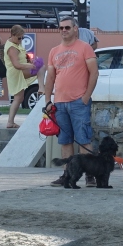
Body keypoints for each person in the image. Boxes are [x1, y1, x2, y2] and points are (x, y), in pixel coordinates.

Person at [43, 14, 99, 187]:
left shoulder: (85, 47)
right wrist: (48, 101)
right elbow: (50, 77)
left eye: (67, 27)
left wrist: (86, 96)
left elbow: (94, 72)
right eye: (61, 28)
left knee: (83, 140)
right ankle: (67, 175)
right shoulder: (54, 51)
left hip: (79, 102)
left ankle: (90, 175)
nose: (64, 30)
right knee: (65, 141)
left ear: (75, 29)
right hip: (60, 103)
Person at [3, 25, 38, 130]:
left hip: (18, 72)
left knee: (19, 98)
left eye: (22, 38)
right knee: (41, 69)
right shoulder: (12, 48)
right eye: (19, 38)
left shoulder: (16, 43)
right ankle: (42, 88)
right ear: (13, 35)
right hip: (17, 73)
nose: (21, 40)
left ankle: (10, 122)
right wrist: (30, 66)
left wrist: (29, 60)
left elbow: (22, 56)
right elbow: (17, 65)